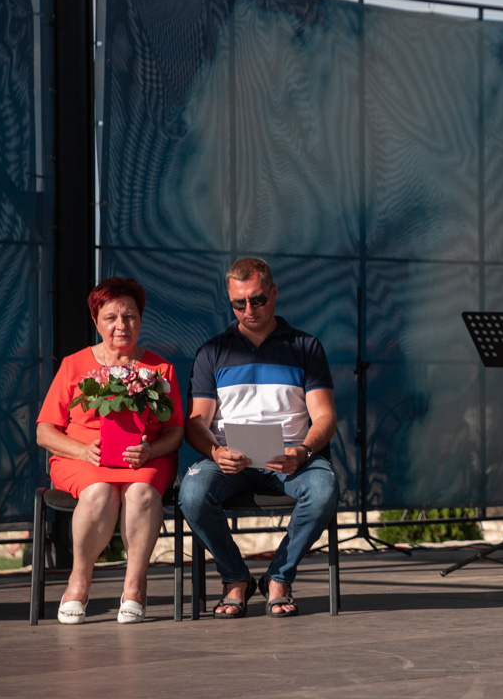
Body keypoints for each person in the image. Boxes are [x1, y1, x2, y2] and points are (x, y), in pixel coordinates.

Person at [179, 257, 338, 618]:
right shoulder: (212, 351)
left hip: (292, 457)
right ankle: (236, 578)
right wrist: (216, 452)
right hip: (230, 458)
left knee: (324, 491)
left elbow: (325, 417)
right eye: (239, 303)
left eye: (258, 300)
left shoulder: (305, 346)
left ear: (274, 292)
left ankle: (278, 578)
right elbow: (196, 422)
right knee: (192, 495)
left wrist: (303, 451)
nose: (249, 310)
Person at [36, 277, 185, 624]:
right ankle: (78, 581)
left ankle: (135, 586)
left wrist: (151, 451)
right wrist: (82, 451)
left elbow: (176, 431)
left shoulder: (161, 369)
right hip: (82, 458)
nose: (122, 325)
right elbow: (45, 431)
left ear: (141, 318)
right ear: (96, 321)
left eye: (130, 316)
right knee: (100, 491)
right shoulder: (74, 365)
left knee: (142, 494)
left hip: (145, 459)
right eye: (111, 318)